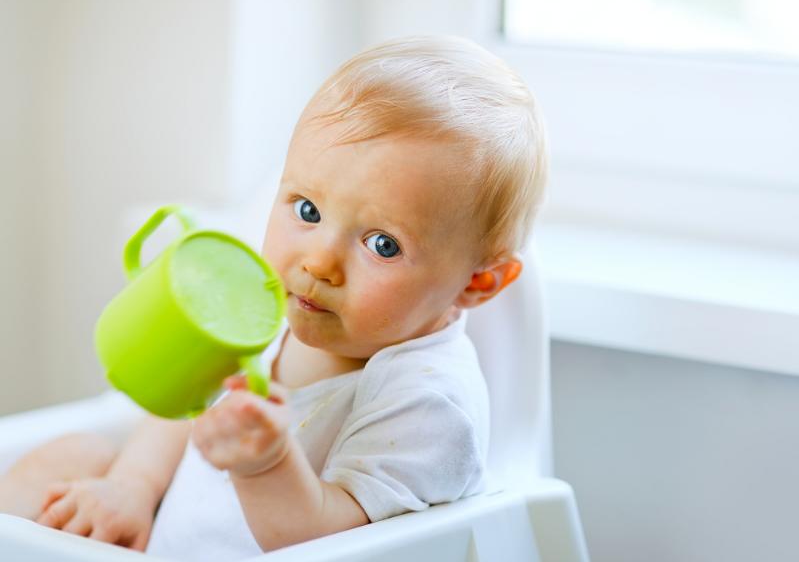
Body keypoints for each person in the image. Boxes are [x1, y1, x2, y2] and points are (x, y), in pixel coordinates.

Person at [0, 34, 548, 559]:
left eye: (383, 245)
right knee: (67, 459)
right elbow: (192, 409)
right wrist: (132, 486)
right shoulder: (278, 309)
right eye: (307, 210)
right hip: (169, 540)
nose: (318, 263)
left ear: (479, 283)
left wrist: (267, 465)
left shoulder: (427, 405)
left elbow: (332, 546)